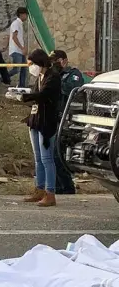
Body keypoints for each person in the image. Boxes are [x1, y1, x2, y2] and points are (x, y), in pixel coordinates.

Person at [14, 49, 63, 208]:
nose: (31, 67)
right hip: (35, 119)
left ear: (40, 62)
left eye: (32, 64)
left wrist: (24, 97)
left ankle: (50, 192)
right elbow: (36, 95)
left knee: (47, 158)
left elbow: (43, 95)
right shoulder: (40, 77)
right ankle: (39, 189)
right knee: (38, 158)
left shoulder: (53, 77)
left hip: (46, 121)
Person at [52, 49, 84, 195]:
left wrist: (56, 79)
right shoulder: (53, 74)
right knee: (51, 154)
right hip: (52, 118)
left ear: (64, 61)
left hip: (66, 120)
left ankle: (67, 187)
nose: (54, 64)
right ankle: (57, 187)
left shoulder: (74, 74)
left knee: (58, 154)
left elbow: (71, 90)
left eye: (56, 61)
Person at [7, 7, 30, 88]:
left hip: (20, 50)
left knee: (24, 69)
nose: (26, 17)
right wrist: (22, 48)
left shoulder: (20, 24)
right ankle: (2, 78)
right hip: (16, 50)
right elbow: (14, 37)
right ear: (22, 14)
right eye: (26, 14)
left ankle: (22, 86)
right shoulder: (16, 23)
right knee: (16, 69)